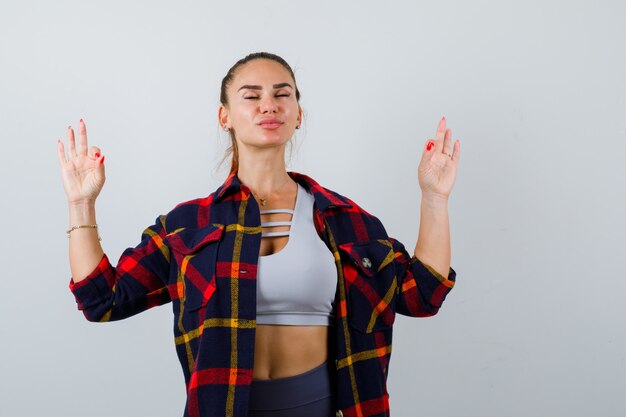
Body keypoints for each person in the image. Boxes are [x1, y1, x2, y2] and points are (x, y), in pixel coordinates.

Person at [57, 52, 460, 417]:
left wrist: (435, 198)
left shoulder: (344, 219)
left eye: (282, 94)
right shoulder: (187, 225)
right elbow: (103, 300)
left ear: (297, 113)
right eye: (251, 96)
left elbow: (421, 293)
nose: (269, 104)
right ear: (225, 116)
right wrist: (81, 204)